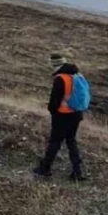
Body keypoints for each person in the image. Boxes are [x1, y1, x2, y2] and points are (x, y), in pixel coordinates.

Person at [33, 53, 88, 182]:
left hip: (62, 115)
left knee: (55, 141)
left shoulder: (60, 78)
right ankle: (77, 172)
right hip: (76, 114)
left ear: (54, 64)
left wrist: (52, 111)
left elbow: (55, 101)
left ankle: (44, 169)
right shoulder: (77, 75)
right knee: (71, 141)